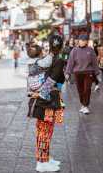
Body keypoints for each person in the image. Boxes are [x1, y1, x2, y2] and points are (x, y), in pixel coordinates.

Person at [28, 35, 65, 172]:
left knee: (44, 130)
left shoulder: (45, 59)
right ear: (61, 46)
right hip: (48, 101)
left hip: (41, 100)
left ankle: (46, 158)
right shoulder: (59, 60)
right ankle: (42, 162)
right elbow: (54, 80)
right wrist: (43, 94)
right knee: (45, 131)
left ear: (49, 45)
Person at [65, 34, 100, 114]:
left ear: (87, 41)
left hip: (88, 73)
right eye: (81, 40)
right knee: (80, 90)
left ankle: (86, 106)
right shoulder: (74, 50)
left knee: (87, 89)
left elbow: (94, 62)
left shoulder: (90, 50)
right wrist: (68, 73)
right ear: (78, 41)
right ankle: (83, 104)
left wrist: (97, 72)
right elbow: (70, 62)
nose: (82, 42)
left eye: (84, 40)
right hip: (78, 73)